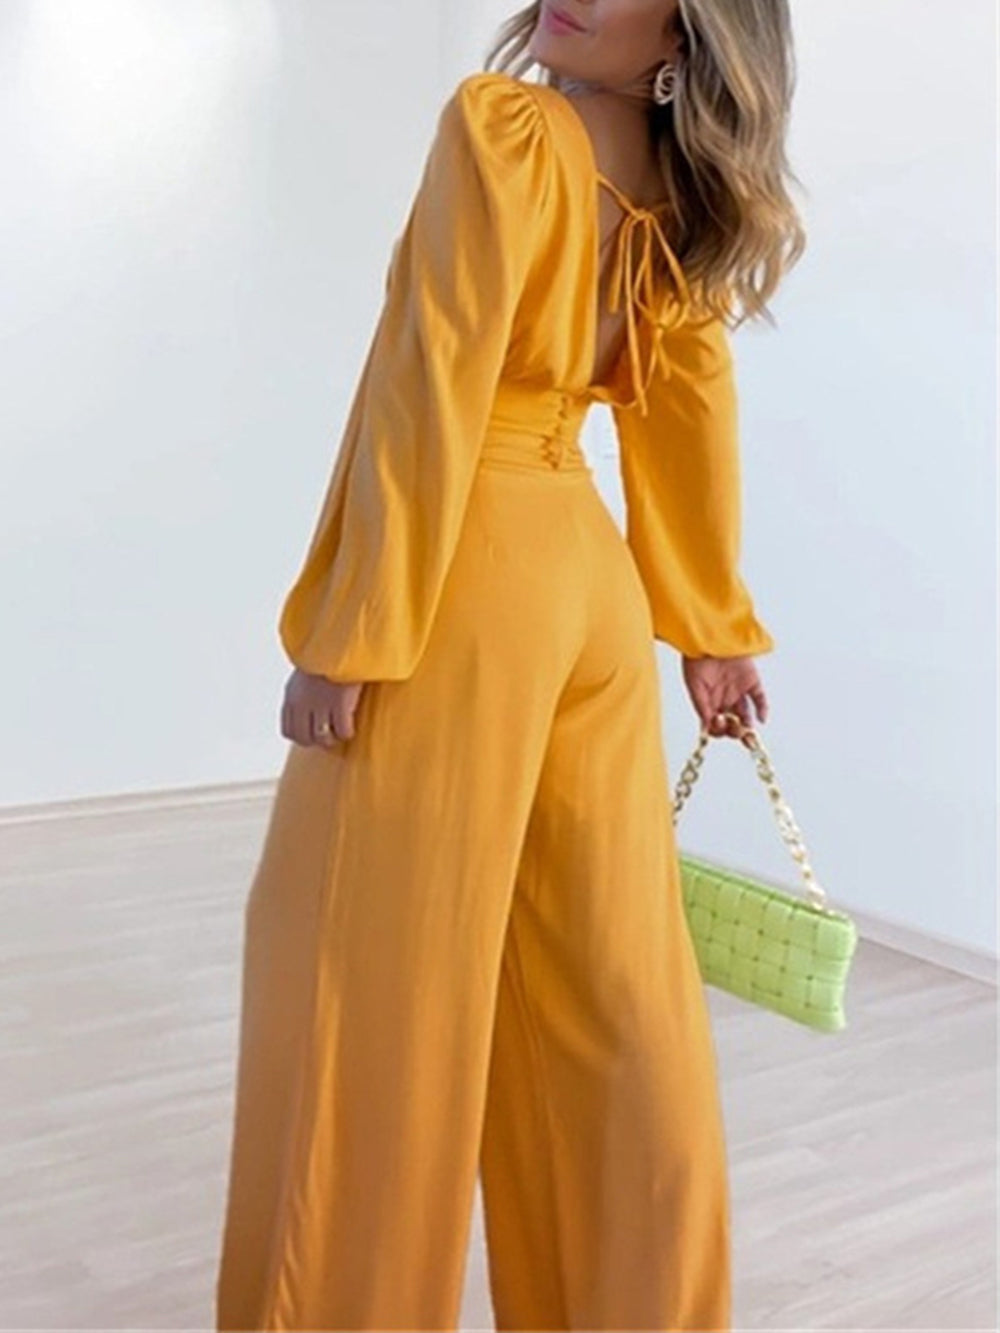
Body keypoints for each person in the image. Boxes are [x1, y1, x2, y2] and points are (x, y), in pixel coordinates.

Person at [214, 1, 805, 1329]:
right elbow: (689, 405)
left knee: (361, 994)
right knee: (607, 996)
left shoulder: (508, 129)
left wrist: (355, 629)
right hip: (588, 587)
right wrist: (709, 625)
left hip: (465, 585)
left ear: (687, 34)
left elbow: (433, 376)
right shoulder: (683, 196)